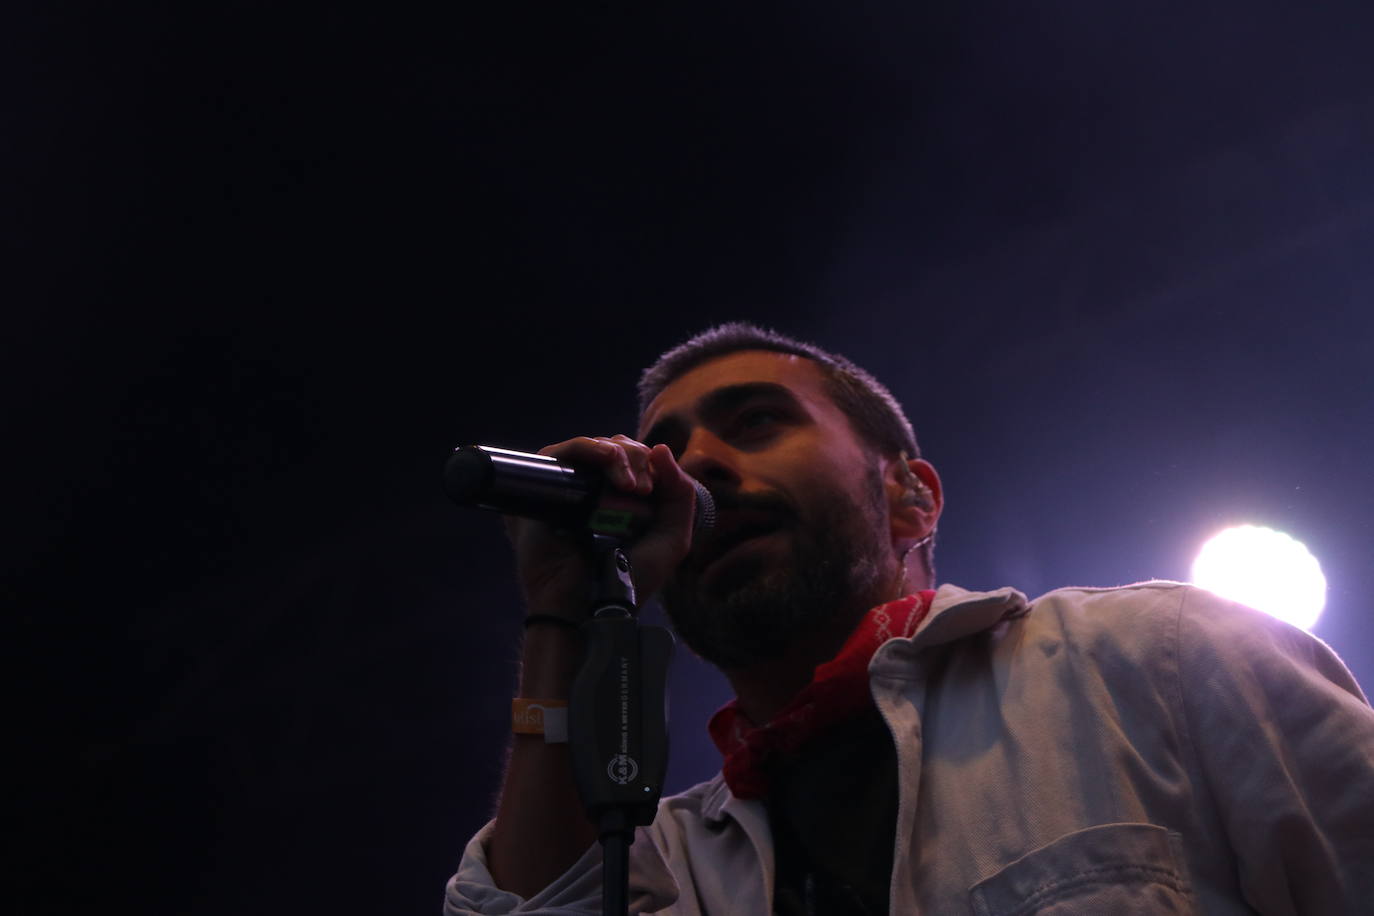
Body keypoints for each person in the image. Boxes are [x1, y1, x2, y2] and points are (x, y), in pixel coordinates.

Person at [445, 323, 1374, 914]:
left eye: (757, 422)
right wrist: (561, 615)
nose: (699, 469)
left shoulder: (1155, 660)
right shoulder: (672, 865)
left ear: (911, 500)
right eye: (671, 451)